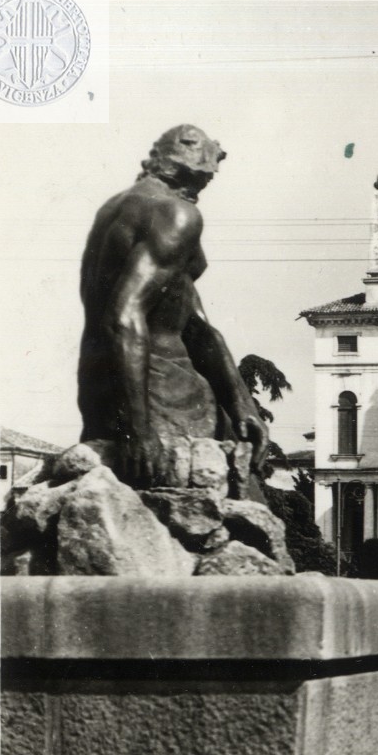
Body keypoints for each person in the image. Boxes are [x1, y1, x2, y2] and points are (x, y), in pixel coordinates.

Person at [75, 124, 268, 496]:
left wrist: (242, 404)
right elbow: (124, 316)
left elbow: (194, 322)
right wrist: (138, 430)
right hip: (160, 389)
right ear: (190, 170)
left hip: (102, 385)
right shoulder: (176, 214)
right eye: (206, 177)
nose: (204, 188)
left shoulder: (114, 209)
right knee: (241, 499)